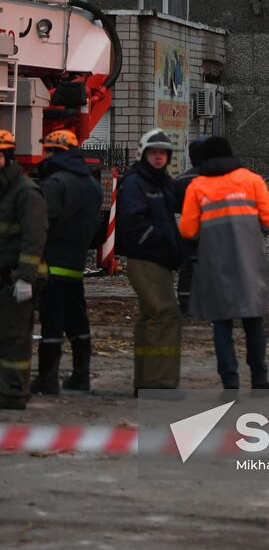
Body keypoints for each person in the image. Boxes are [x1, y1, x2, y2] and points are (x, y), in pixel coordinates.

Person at [179, 136, 269, 391]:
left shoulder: (198, 187)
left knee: (221, 324)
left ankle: (230, 382)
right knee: (254, 321)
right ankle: (259, 378)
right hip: (250, 261)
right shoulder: (251, 180)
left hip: (214, 263)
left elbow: (188, 230)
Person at [31, 130, 102, 395]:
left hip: (51, 263)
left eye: (47, 150)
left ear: (53, 152)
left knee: (52, 322)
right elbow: (95, 224)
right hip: (75, 264)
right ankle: (81, 376)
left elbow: (41, 224)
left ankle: (47, 379)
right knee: (77, 321)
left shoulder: (54, 183)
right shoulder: (91, 184)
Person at [116, 128, 184, 393]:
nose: (158, 157)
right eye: (154, 153)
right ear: (143, 154)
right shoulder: (136, 183)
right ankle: (158, 384)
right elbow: (133, 223)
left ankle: (145, 382)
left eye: (163, 153)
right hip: (146, 259)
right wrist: (163, 241)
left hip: (160, 261)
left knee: (150, 318)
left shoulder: (162, 183)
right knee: (165, 314)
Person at [0, 130, 48, 410]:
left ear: (6, 157)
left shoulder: (26, 193)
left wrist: (25, 279)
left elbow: (34, 239)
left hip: (15, 279)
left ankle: (14, 393)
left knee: (14, 339)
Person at [173, 137, 208, 315]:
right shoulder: (217, 179)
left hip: (188, 232)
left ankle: (186, 301)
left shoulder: (181, 180)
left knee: (188, 267)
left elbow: (173, 207)